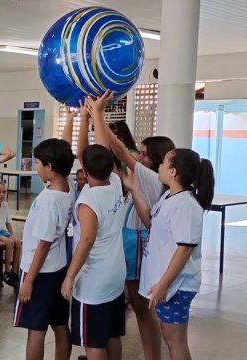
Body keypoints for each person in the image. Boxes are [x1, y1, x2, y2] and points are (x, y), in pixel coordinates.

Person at [86, 91, 176, 360]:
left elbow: (120, 150)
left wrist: (98, 115)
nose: (141, 157)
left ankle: (152, 356)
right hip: (128, 239)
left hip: (135, 240)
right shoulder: (146, 176)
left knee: (140, 308)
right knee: (133, 306)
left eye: (146, 154)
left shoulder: (149, 176)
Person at [125, 148, 214, 360]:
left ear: (173, 172)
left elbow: (185, 249)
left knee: (175, 340)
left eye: (164, 163)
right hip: (166, 283)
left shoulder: (185, 205)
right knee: (169, 335)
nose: (159, 166)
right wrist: (133, 189)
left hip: (177, 285)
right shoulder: (169, 196)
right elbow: (149, 221)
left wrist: (163, 284)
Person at [60, 143, 127, 360]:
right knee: (111, 333)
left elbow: (87, 239)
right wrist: (91, 114)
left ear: (85, 172)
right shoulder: (115, 181)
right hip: (116, 274)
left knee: (93, 342)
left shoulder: (89, 200)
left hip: (93, 282)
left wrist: (69, 276)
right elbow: (89, 152)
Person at [14, 138, 75, 360]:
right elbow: (63, 149)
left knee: (36, 330)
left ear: (50, 166)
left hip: (39, 272)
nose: (36, 168)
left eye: (38, 163)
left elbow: (43, 243)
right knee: (60, 324)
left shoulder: (50, 201)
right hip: (58, 268)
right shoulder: (69, 186)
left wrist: (29, 280)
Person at [0, 181, 22, 287]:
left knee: (17, 243)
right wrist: (0, 240)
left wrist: (13, 235)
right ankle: (7, 272)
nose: (2, 194)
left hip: (2, 231)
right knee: (10, 243)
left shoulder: (5, 205)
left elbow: (8, 223)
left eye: (4, 192)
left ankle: (14, 272)